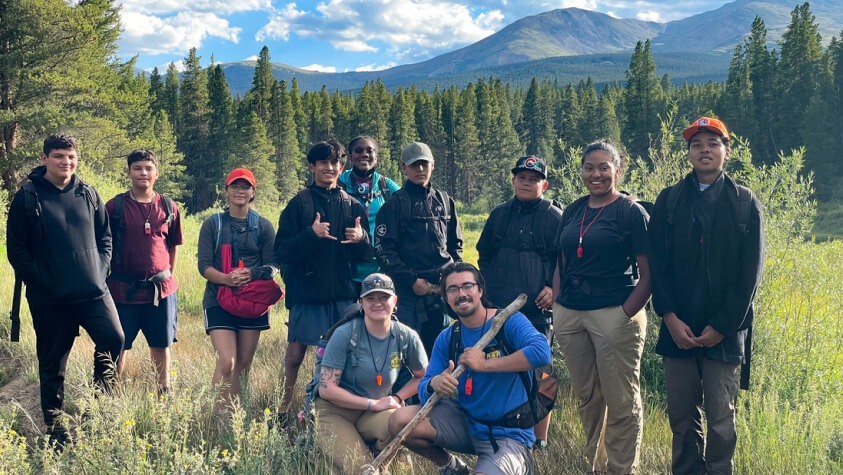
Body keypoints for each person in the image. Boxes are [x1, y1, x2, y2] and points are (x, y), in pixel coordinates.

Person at [649, 117, 764, 475]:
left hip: (725, 332)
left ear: (727, 151)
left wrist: (723, 326)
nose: (705, 150)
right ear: (688, 153)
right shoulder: (668, 201)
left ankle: (718, 470)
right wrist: (668, 316)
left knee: (721, 419)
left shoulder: (745, 202)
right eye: (697, 144)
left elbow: (750, 276)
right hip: (677, 327)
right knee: (681, 416)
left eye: (713, 144)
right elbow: (657, 265)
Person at [6, 134, 124, 446]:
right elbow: (16, 250)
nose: (66, 162)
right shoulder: (28, 197)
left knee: (114, 339)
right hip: (50, 298)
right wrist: (43, 281)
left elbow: (105, 237)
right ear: (44, 158)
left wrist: (101, 271)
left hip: (93, 292)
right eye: (59, 156)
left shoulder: (88, 193)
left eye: (71, 157)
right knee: (53, 362)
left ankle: (97, 411)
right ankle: (56, 430)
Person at [389, 262, 552, 475]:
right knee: (399, 421)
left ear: (480, 290)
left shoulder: (509, 322)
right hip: (467, 423)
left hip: (507, 434)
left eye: (468, 286)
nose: (461, 294)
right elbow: (424, 384)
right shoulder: (449, 336)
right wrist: (434, 383)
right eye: (453, 289)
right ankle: (451, 467)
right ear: (446, 297)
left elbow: (542, 353)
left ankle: (518, 463)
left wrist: (484, 364)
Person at [552, 141, 651, 474]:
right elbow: (562, 261)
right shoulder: (574, 209)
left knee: (621, 399)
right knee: (588, 395)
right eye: (589, 167)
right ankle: (593, 462)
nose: (595, 174)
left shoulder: (630, 212)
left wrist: (625, 315)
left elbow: (650, 274)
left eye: (603, 167)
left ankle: (622, 468)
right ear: (581, 171)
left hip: (615, 312)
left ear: (617, 170)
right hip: (571, 312)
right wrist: (557, 303)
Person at [275, 142, 371, 414]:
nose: (329, 168)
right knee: (295, 356)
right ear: (312, 167)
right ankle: (283, 409)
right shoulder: (299, 204)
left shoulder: (352, 205)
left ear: (342, 167)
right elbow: (282, 251)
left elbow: (366, 254)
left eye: (335, 163)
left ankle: (335, 410)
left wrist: (361, 239)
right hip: (307, 295)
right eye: (323, 163)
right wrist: (310, 235)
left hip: (342, 297)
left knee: (344, 358)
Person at [476, 155, 563, 450]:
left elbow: (566, 262)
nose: (526, 183)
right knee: (496, 369)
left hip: (537, 314)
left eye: (533, 179)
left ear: (544, 184)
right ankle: (498, 428)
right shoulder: (499, 214)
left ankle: (540, 438)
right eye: (521, 178)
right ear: (513, 181)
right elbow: (483, 255)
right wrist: (485, 294)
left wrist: (553, 288)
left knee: (542, 375)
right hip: (498, 311)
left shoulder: (555, 217)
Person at [313, 273, 427, 474]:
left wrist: (398, 397)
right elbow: (327, 389)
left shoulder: (405, 336)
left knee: (404, 421)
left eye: (384, 297)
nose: (378, 303)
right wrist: (373, 404)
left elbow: (423, 375)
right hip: (336, 411)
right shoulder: (345, 334)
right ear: (361, 303)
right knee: (362, 469)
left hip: (375, 411)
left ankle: (373, 462)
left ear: (395, 301)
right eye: (370, 298)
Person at [197, 168, 278, 405]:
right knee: (227, 361)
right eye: (235, 186)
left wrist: (252, 274)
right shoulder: (213, 224)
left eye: (245, 187)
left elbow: (274, 265)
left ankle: (235, 417)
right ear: (226, 191)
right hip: (218, 298)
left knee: (243, 364)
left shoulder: (264, 226)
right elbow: (204, 266)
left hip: (252, 302)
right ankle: (217, 415)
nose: (240, 191)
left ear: (253, 192)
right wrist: (226, 279)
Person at [106, 149, 183, 396]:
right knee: (118, 344)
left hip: (159, 292)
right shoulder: (114, 207)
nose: (143, 173)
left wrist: (168, 276)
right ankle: (110, 392)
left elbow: (172, 246)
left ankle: (164, 391)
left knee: (161, 344)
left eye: (148, 168)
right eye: (137, 168)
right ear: (129, 172)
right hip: (122, 291)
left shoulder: (169, 206)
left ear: (156, 173)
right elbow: (104, 246)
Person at [374, 141, 463, 355]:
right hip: (407, 294)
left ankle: (440, 389)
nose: (420, 170)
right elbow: (384, 252)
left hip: (442, 291)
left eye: (424, 164)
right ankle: (409, 390)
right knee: (407, 353)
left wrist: (451, 277)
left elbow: (456, 246)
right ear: (404, 168)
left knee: (443, 351)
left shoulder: (445, 201)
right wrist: (412, 281)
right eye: (414, 165)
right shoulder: (393, 206)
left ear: (433, 164)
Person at [338, 135, 400, 290]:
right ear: (350, 157)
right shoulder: (339, 183)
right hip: (346, 270)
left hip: (381, 268)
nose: (364, 154)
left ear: (376, 157)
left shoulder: (386, 186)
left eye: (369, 151)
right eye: (358, 151)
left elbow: (406, 211)